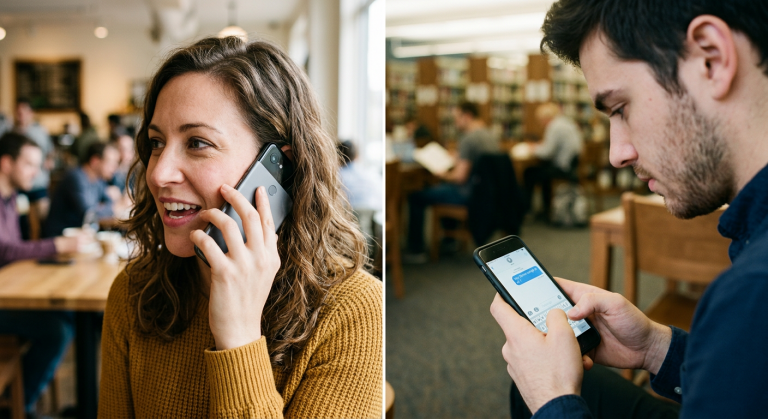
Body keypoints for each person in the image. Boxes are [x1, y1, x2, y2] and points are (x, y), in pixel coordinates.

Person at [490, 0, 768, 418]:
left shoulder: (750, 296)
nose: (616, 154)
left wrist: (553, 402)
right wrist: (656, 347)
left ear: (711, 58)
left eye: (620, 109)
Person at [98, 36, 382, 418]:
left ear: (278, 171)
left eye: (197, 142)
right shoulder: (135, 291)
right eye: (156, 142)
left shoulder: (354, 311)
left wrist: (239, 337)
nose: (159, 172)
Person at [0, 132, 89, 415]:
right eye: (28, 164)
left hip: (8, 290)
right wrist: (55, 245)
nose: (36, 173)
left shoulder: (11, 198)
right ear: (6, 163)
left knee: (64, 318)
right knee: (57, 331)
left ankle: (20, 395)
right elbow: (4, 251)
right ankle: (17, 406)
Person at [405, 102, 498, 260]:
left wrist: (442, 174)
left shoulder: (469, 139)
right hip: (486, 193)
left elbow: (459, 177)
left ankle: (416, 250)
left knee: (416, 197)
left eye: (457, 118)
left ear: (467, 116)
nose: (455, 123)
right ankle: (450, 241)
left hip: (468, 194)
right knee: (443, 190)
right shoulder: (490, 135)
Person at [43, 142, 120, 238]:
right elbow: (88, 214)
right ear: (95, 161)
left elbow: (109, 202)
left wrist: (104, 207)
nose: (115, 168)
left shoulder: (98, 180)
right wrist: (111, 208)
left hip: (81, 236)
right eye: (110, 163)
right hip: (61, 238)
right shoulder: (76, 178)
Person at [522, 102, 583, 218]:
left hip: (563, 167)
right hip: (572, 165)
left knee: (529, 173)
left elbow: (547, 152)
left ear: (546, 118)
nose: (541, 123)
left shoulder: (554, 126)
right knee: (542, 172)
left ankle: (527, 209)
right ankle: (546, 208)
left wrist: (532, 148)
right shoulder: (566, 123)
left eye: (541, 120)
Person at [11, 98, 55, 223]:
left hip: (38, 183)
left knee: (44, 219)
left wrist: (49, 160)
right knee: (20, 220)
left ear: (31, 113)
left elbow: (50, 151)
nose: (21, 116)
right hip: (18, 185)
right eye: (18, 112)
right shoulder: (10, 133)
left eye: (24, 112)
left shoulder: (40, 131)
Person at [338, 140, 383, 210]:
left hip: (347, 217)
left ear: (338, 157)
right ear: (357, 156)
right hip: (371, 216)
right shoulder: (372, 175)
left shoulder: (337, 177)